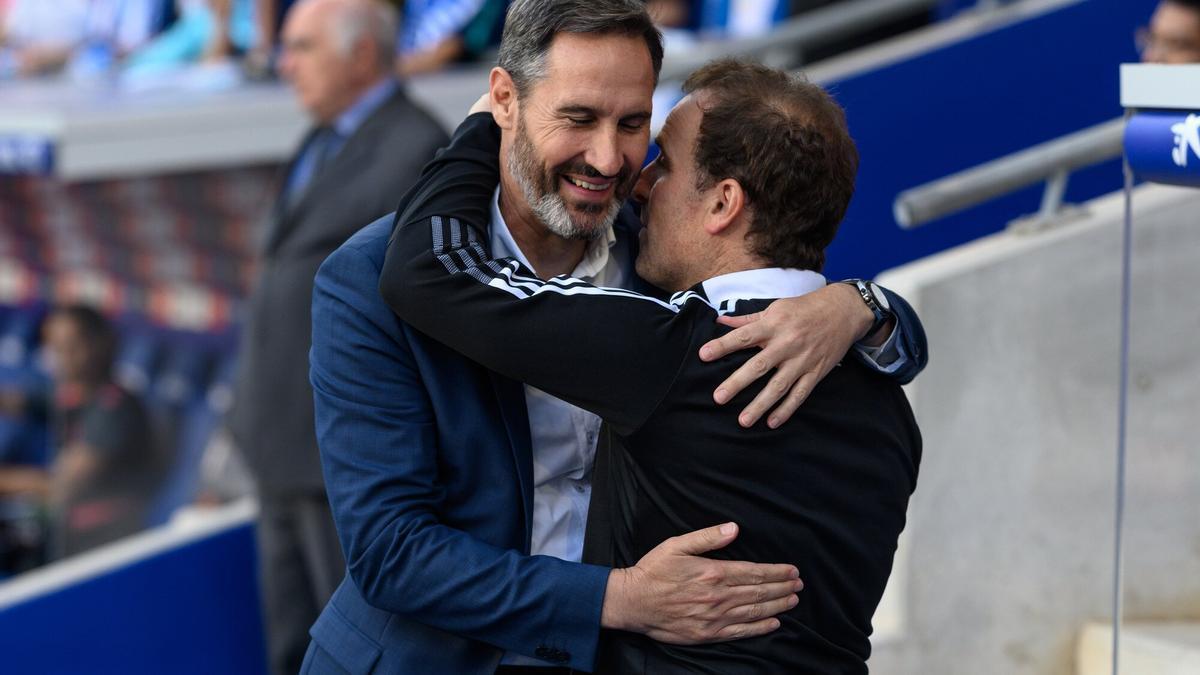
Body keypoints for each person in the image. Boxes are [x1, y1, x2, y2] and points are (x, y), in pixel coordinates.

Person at [305, 0, 925, 672]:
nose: (609, 159)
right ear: (506, 100)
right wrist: (618, 597)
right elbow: (392, 552)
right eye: (579, 118)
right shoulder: (371, 278)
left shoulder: (668, 264)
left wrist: (862, 304)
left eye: (633, 125)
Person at [224, 0, 448, 672]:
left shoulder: (416, 146)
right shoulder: (320, 137)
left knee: (355, 651)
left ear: (360, 54)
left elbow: (417, 313)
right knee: (293, 648)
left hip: (344, 464)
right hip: (278, 448)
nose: (282, 63)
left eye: (302, 47)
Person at [0, 305, 163, 560]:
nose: (63, 357)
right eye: (55, 348)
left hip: (98, 545)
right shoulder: (72, 396)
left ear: (99, 345)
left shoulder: (114, 409)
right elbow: (22, 402)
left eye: (72, 346)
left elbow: (60, 488)